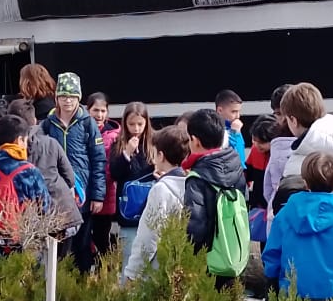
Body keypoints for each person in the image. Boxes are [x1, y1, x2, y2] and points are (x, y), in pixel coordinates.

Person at [262, 149, 333, 301]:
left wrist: (272, 280)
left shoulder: (285, 214)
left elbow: (272, 253)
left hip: (293, 291)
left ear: (304, 181)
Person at [41, 72, 107, 270]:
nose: (67, 101)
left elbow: (98, 160)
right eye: (63, 96)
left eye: (72, 96)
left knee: (82, 243)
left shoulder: (87, 123)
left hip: (82, 194)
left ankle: (82, 284)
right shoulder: (47, 123)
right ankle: (58, 285)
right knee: (58, 244)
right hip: (56, 194)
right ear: (57, 98)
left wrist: (97, 195)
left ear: (78, 98)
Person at [182, 109, 252, 291]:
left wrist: (187, 257)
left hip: (208, 261)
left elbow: (195, 224)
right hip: (232, 253)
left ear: (195, 140)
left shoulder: (198, 177)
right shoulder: (235, 165)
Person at [0, 112, 52, 258]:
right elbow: (45, 207)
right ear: (19, 140)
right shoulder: (30, 173)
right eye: (25, 141)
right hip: (24, 238)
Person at [121, 128, 192, 283]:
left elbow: (149, 235)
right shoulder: (191, 184)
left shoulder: (160, 189)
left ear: (161, 155)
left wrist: (132, 272)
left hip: (158, 270)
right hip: (184, 266)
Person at [10, 98, 81, 238]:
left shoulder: (12, 149)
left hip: (32, 217)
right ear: (35, 119)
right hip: (64, 211)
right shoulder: (51, 142)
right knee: (62, 258)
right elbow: (70, 178)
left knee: (37, 258)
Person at [104, 101, 156, 260]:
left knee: (152, 261)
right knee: (130, 258)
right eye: (131, 124)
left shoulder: (154, 143)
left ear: (146, 123)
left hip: (150, 209)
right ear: (124, 124)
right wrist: (127, 153)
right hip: (129, 212)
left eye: (140, 124)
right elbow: (114, 173)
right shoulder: (118, 144)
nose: (136, 128)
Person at [264, 82, 321, 211]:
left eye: (285, 114)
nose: (284, 120)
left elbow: (268, 189)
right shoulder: (328, 140)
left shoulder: (278, 146)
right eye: (278, 114)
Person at [215, 90, 247, 166]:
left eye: (239, 112)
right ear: (220, 110)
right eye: (233, 112)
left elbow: (241, 157)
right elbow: (233, 155)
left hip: (236, 172)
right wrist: (235, 133)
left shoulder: (234, 127)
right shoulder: (214, 129)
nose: (238, 116)